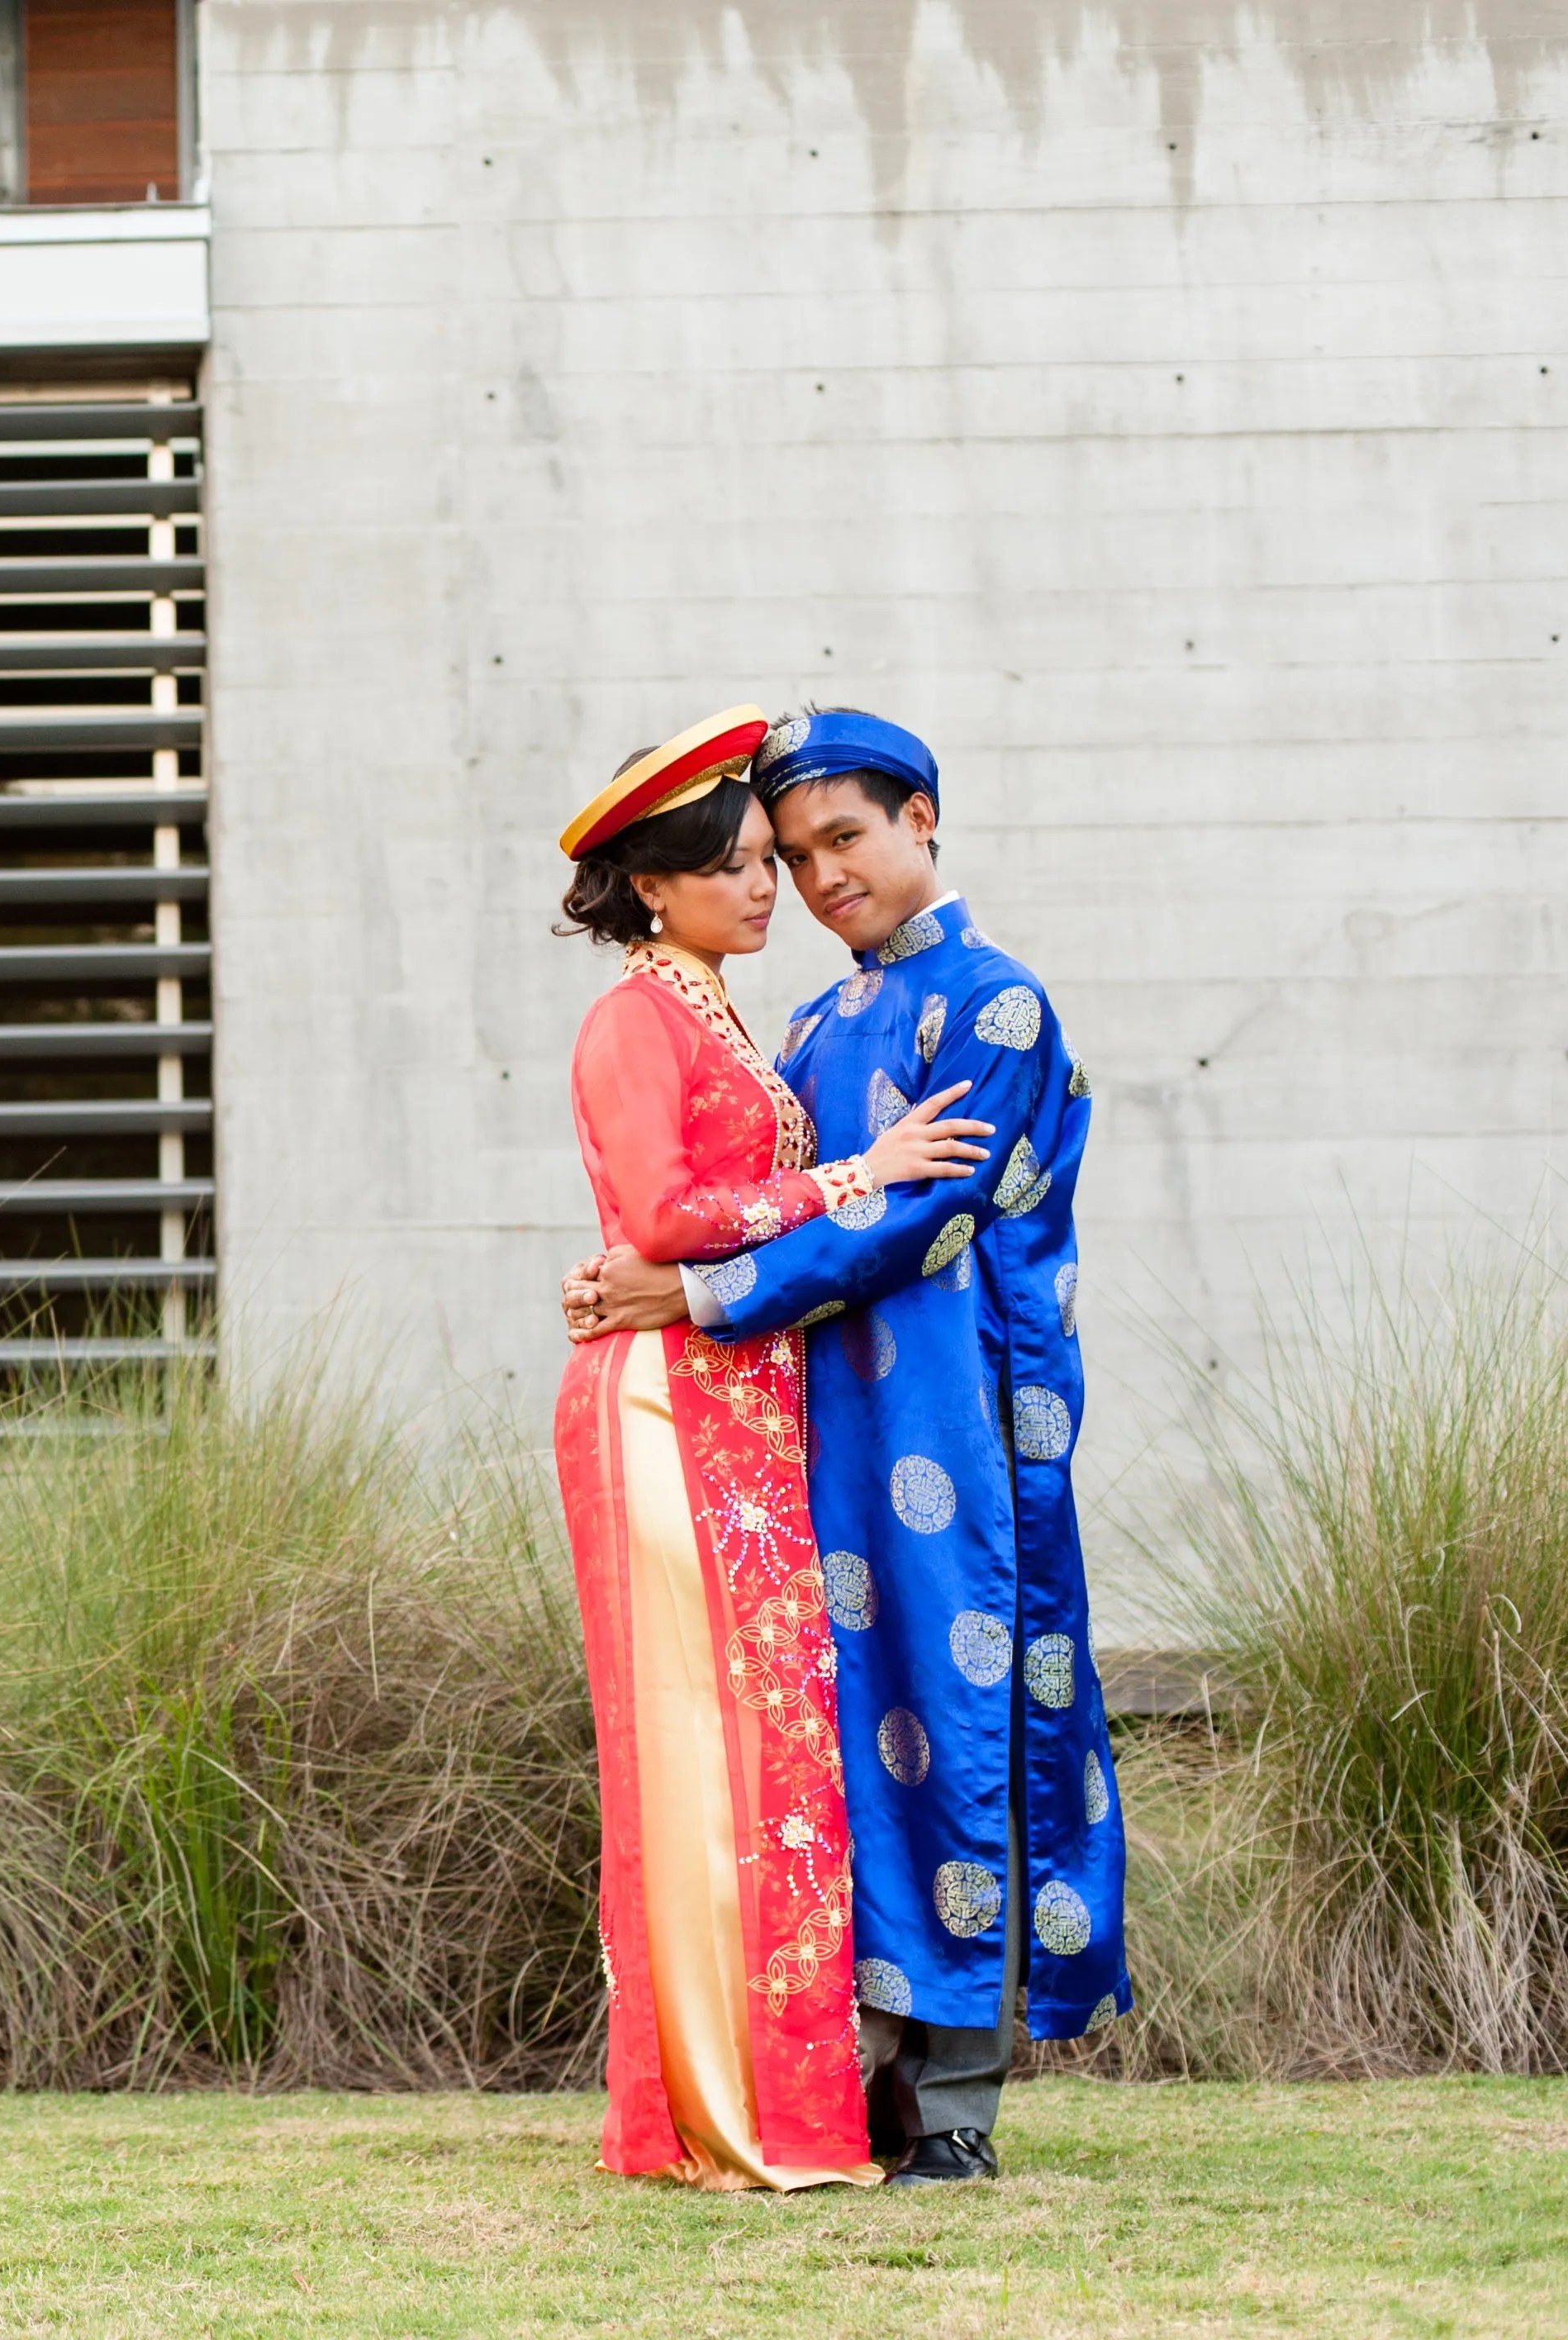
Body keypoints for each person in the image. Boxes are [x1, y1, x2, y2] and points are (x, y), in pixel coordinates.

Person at [563, 708, 1133, 2189]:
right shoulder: (808, 1025)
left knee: (960, 1723)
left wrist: (686, 1295)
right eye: (791, 854)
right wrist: (652, 1278)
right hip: (818, 1429)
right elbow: (753, 1188)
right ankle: (860, 2075)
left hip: (961, 1432)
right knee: (843, 1749)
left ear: (924, 820)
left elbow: (907, 1218)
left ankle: (955, 2102)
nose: (817, 882)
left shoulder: (994, 1007)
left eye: (845, 841)